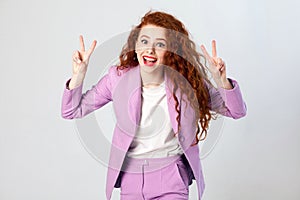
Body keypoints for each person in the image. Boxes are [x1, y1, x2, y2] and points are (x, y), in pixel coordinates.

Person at [61, 10, 246, 200]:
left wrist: (221, 80)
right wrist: (79, 75)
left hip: (172, 176)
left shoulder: (187, 82)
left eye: (159, 44)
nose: (149, 50)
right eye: (144, 41)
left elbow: (236, 110)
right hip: (131, 177)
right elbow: (71, 110)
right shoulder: (117, 78)